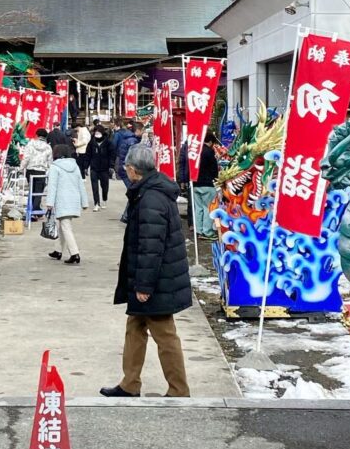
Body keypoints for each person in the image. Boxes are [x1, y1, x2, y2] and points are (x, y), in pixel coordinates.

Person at [101, 144, 192, 398]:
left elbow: (151, 247)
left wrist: (144, 286)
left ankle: (179, 390)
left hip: (157, 281)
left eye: (126, 168)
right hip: (153, 278)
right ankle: (130, 383)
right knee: (135, 329)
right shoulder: (149, 191)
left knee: (165, 335)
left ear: (133, 170)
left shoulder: (151, 197)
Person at [43, 143, 88, 264]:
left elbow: (52, 186)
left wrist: (49, 203)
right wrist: (84, 202)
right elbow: (80, 184)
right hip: (73, 200)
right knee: (61, 226)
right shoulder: (75, 166)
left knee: (65, 227)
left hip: (61, 200)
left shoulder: (55, 167)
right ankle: (58, 250)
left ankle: (75, 253)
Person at [191, 131, 220, 239]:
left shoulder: (195, 151)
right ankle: (207, 232)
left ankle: (198, 230)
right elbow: (214, 169)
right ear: (211, 141)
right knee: (208, 207)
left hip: (195, 183)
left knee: (198, 208)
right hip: (207, 184)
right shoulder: (209, 152)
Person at [86, 125, 116, 211]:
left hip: (104, 168)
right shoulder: (91, 142)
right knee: (94, 187)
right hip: (94, 168)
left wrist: (111, 165)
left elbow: (112, 155)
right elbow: (88, 155)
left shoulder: (108, 143)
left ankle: (104, 199)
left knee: (104, 186)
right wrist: (86, 166)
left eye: (99, 132)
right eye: (96, 132)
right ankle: (96, 203)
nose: (97, 134)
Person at [116, 121, 143, 189]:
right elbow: (133, 156)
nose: (143, 132)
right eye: (142, 130)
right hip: (127, 169)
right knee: (133, 190)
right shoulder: (132, 141)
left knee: (132, 190)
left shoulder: (130, 138)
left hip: (125, 168)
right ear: (137, 130)